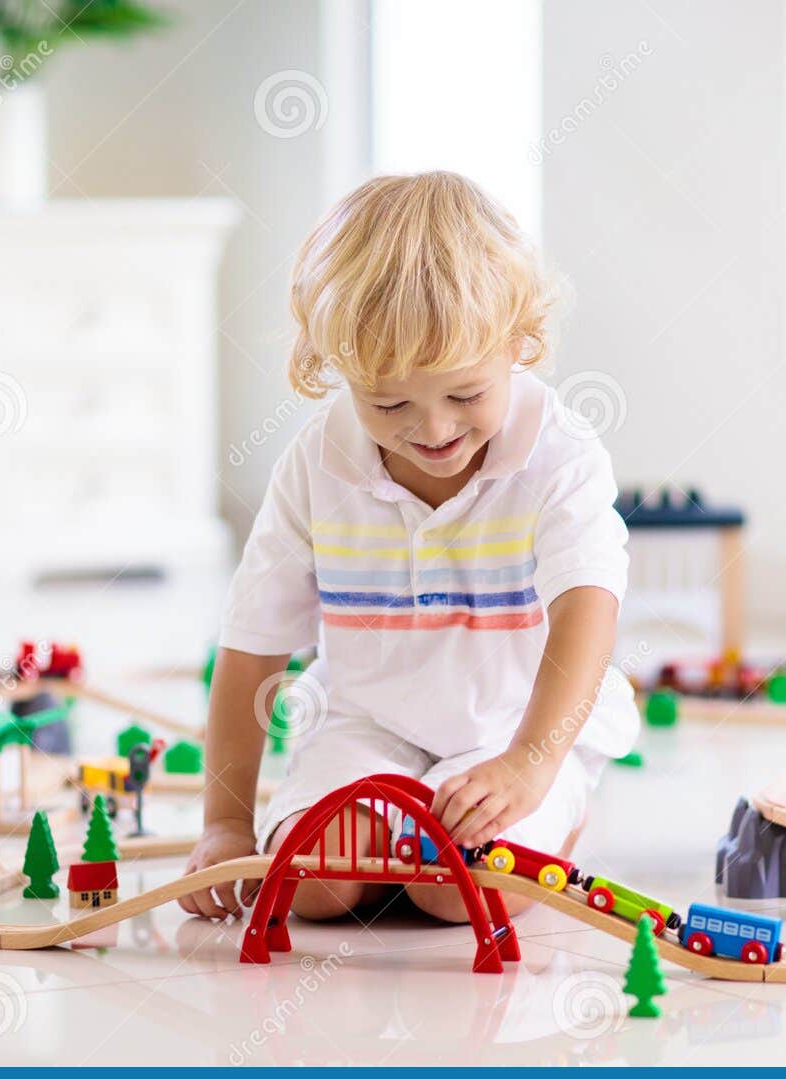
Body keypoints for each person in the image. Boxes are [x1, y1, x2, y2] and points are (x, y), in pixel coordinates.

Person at [179, 172, 638, 923]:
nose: (432, 429)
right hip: (366, 724)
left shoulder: (559, 453)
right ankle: (395, 839)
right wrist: (225, 822)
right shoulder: (316, 462)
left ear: (519, 344)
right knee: (318, 885)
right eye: (389, 403)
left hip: (511, 727)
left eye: (465, 395)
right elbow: (253, 644)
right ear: (335, 371)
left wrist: (532, 761)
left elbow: (588, 610)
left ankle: (559, 805)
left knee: (459, 891)